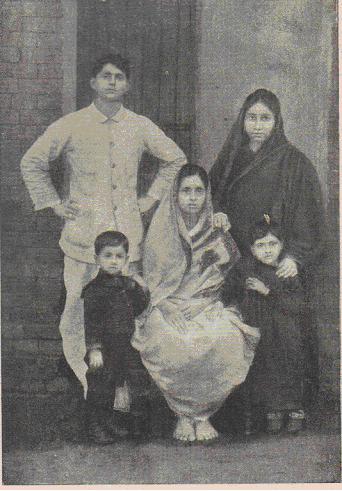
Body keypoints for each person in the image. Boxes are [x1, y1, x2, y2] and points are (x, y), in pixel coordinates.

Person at [21, 53, 187, 394]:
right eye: (106, 76)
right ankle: (85, 388)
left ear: (127, 84)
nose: (112, 82)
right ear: (93, 83)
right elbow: (32, 161)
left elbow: (175, 159)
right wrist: (54, 203)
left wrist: (150, 198)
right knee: (77, 313)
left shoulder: (139, 125)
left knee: (128, 317)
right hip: (83, 237)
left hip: (126, 238)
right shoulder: (73, 124)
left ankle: (122, 396)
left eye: (119, 77)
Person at [209, 88, 326, 405]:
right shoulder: (233, 156)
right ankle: (236, 404)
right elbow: (212, 193)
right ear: (242, 120)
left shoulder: (294, 163)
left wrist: (294, 257)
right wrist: (217, 210)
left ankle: (281, 404)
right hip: (239, 261)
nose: (257, 125)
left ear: (276, 122)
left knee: (278, 337)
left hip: (275, 263)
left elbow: (309, 217)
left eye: (265, 118)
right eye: (251, 118)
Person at [132, 164, 260, 442]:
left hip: (206, 303)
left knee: (224, 336)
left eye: (199, 191)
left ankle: (202, 416)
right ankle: (182, 415)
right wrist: (166, 306)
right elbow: (152, 282)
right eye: (186, 191)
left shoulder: (216, 229)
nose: (192, 198)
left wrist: (202, 305)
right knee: (169, 338)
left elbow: (229, 279)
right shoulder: (160, 232)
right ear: (175, 195)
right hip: (168, 304)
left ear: (207, 194)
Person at [222, 216, 307, 434]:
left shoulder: (287, 272)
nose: (267, 250)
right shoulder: (248, 270)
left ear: (282, 246)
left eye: (272, 244)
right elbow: (229, 290)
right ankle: (273, 412)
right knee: (265, 370)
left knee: (287, 369)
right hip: (262, 332)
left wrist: (267, 291)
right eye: (260, 245)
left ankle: (294, 411)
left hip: (286, 332)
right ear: (251, 249)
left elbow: (297, 305)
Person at [82, 231, 150, 444]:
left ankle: (123, 425)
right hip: (105, 347)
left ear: (127, 259)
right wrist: (94, 348)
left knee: (129, 383)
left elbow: (139, 308)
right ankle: (97, 427)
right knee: (101, 386)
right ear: (97, 259)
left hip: (127, 344)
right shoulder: (94, 290)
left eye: (119, 256)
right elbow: (91, 322)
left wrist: (142, 288)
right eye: (107, 256)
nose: (113, 261)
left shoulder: (128, 285)